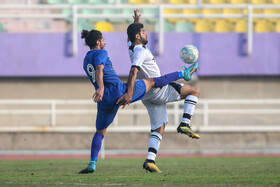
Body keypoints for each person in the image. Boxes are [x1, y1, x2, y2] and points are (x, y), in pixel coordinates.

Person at [78, 29, 194, 174]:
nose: (105, 42)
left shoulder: (85, 59)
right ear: (98, 42)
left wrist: (101, 90)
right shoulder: (102, 53)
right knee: (152, 81)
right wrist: (101, 87)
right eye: (103, 40)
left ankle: (92, 163)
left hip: (104, 101)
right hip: (118, 91)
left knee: (100, 132)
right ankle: (183, 73)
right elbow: (99, 69)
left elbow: (97, 70)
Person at [117, 9, 200, 173]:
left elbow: (129, 37)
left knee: (159, 127)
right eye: (143, 31)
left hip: (147, 96)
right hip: (158, 89)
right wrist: (129, 92)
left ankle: (150, 160)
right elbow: (134, 71)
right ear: (138, 37)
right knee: (194, 91)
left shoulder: (132, 48)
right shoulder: (140, 51)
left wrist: (135, 22)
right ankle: (185, 123)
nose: (146, 33)